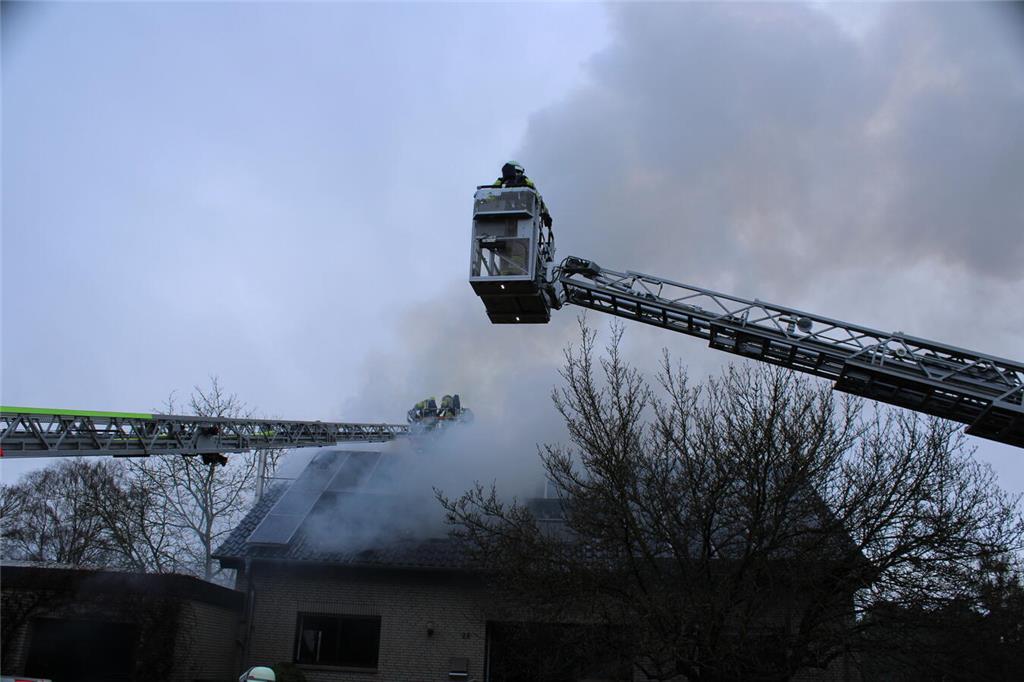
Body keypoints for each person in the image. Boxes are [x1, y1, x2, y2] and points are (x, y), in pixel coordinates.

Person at [491, 161, 553, 231]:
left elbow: (489, 196)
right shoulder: (525, 181)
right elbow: (537, 197)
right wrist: (546, 215)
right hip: (522, 217)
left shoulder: (500, 182)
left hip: (503, 218)